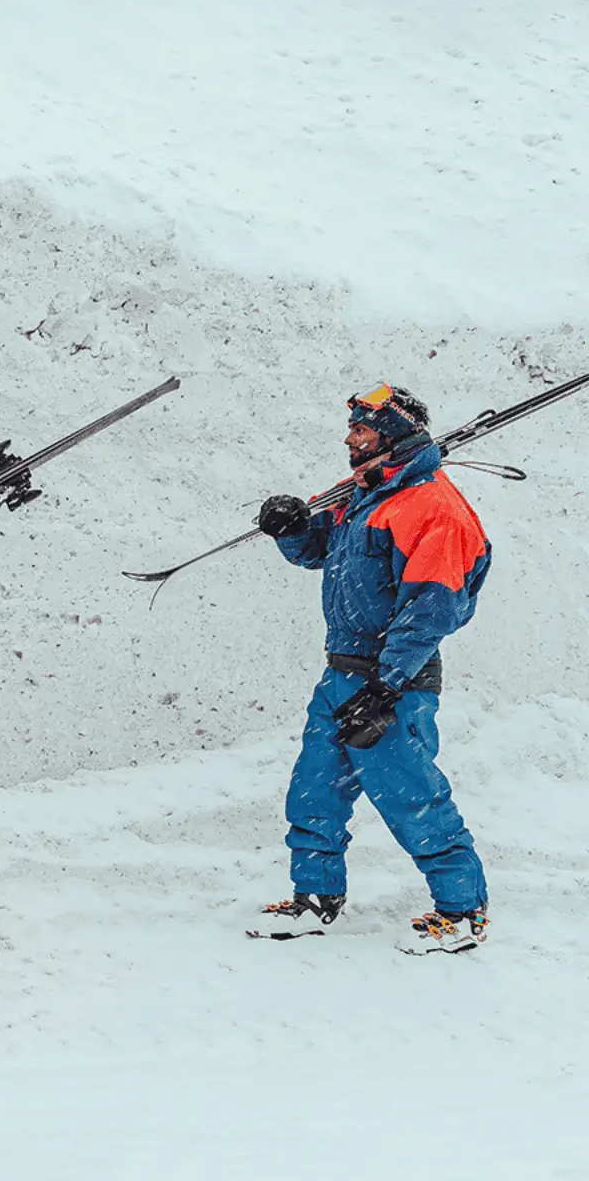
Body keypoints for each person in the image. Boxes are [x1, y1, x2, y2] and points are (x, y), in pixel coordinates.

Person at [251, 384, 492, 953]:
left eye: (361, 430)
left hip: (395, 681)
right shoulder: (364, 497)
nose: (349, 439)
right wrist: (292, 528)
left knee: (411, 794)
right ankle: (315, 899)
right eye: (352, 428)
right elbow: (319, 550)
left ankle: (461, 909)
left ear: (392, 434)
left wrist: (386, 686)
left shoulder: (435, 508)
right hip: (342, 673)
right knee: (314, 789)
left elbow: (432, 608)